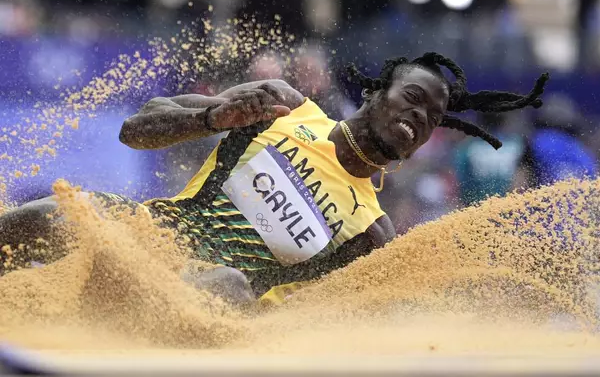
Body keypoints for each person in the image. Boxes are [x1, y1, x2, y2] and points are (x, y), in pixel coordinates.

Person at [0, 52, 549, 306]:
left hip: (206, 293)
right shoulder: (286, 108)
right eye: (412, 98)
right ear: (376, 92)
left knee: (231, 287)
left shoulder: (372, 236)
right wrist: (209, 118)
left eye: (432, 118)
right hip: (149, 232)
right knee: (53, 214)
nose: (419, 119)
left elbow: (324, 316)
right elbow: (134, 131)